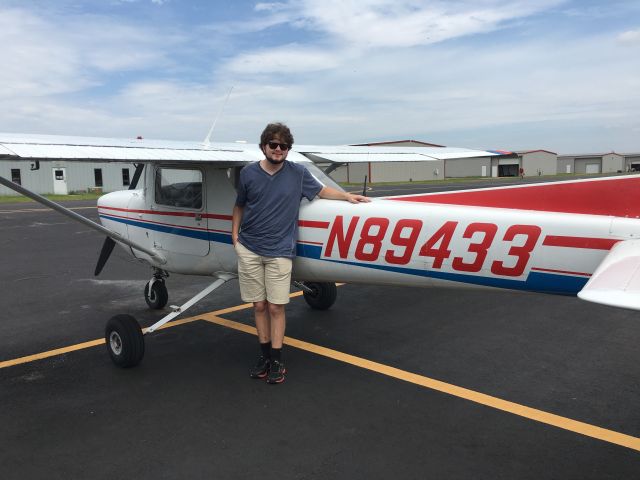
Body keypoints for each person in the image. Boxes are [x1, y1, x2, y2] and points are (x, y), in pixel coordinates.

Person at [232, 122, 370, 384]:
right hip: (249, 248)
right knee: (259, 305)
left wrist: (346, 196)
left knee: (276, 307)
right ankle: (264, 356)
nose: (278, 149)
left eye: (283, 146)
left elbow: (320, 190)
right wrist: (235, 237)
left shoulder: (297, 173)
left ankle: (277, 360)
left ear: (288, 149)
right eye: (273, 144)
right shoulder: (249, 174)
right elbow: (239, 206)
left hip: (280, 250)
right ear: (264, 146)